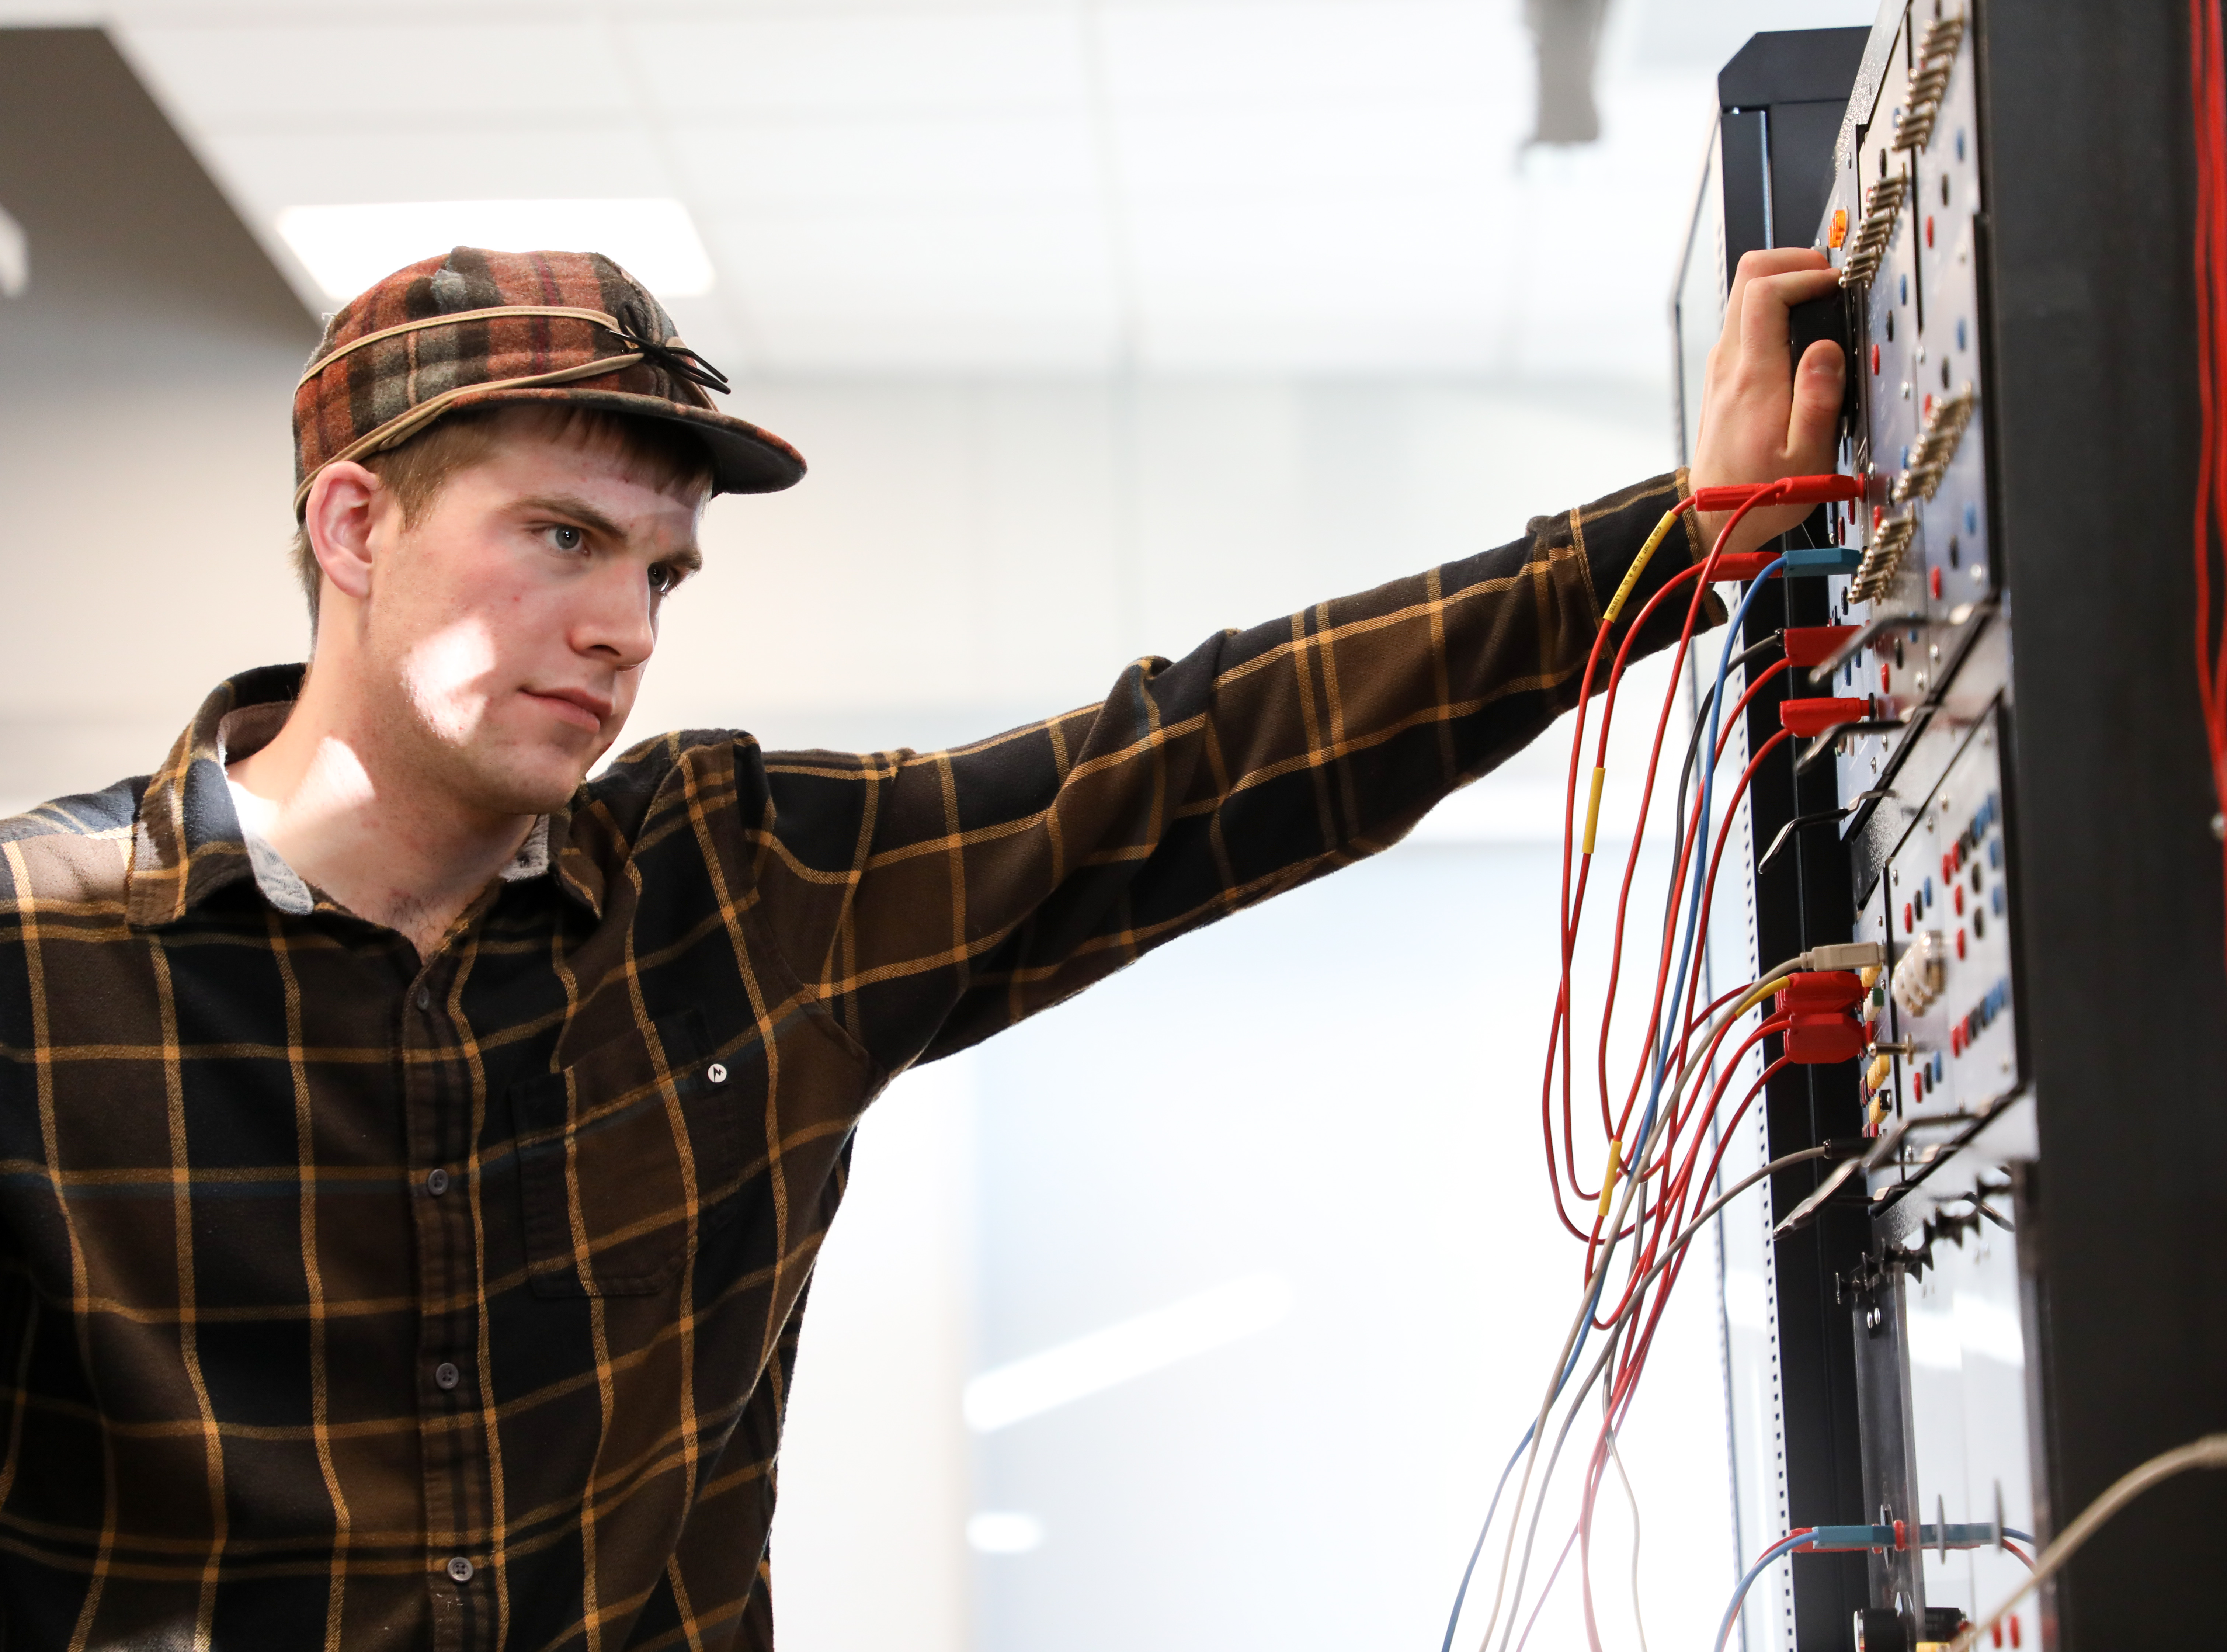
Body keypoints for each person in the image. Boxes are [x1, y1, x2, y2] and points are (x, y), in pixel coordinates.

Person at [0, 242, 1843, 1649]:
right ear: (352, 526)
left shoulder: (734, 891)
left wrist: (1679, 542)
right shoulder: (34, 960)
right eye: (559, 538)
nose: (625, 626)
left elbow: (1187, 765)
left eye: (660, 570)